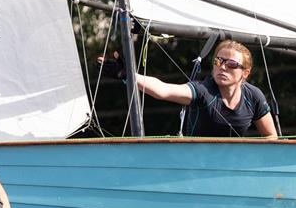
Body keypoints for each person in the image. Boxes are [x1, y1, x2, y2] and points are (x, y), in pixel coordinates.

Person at [98, 40, 278, 138]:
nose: (223, 67)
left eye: (231, 64)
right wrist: (128, 75)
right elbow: (163, 90)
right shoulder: (202, 90)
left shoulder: (253, 96)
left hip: (231, 168)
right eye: (219, 61)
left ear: (245, 73)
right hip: (196, 165)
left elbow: (271, 136)